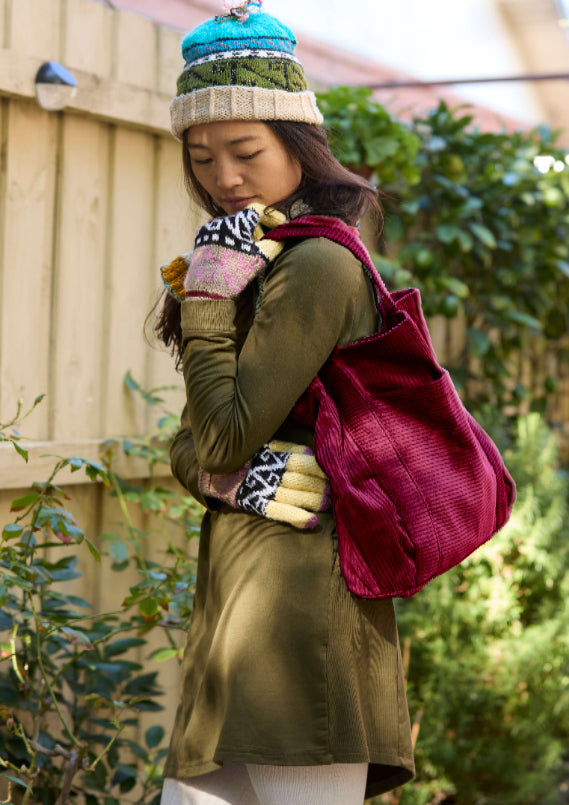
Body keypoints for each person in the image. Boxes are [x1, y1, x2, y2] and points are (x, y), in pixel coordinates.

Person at [154, 3, 415, 803]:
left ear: (298, 143)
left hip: (302, 618)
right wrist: (219, 475)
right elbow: (206, 446)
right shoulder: (253, 255)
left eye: (245, 151)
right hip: (241, 609)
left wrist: (204, 299)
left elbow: (225, 435)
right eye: (202, 157)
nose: (223, 177)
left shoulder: (318, 268)